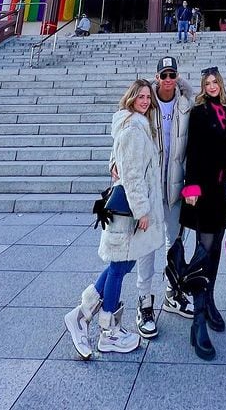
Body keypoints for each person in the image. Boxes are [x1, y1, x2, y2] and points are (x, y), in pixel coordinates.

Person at [64, 79, 163, 358]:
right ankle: (109, 331)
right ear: (131, 98)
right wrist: (142, 210)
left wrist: (113, 164)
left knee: (121, 264)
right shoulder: (133, 128)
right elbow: (130, 174)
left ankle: (82, 314)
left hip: (129, 209)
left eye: (148, 97)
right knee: (120, 267)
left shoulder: (133, 124)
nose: (145, 101)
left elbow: (119, 159)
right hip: (130, 212)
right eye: (140, 96)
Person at [132, 56, 195, 336]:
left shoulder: (185, 104)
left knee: (175, 244)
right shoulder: (147, 103)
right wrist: (114, 162)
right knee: (147, 246)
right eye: (164, 74)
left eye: (173, 74)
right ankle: (144, 301)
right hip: (151, 186)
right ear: (156, 76)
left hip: (175, 187)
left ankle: (173, 292)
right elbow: (126, 128)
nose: (168, 79)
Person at [180, 66, 226, 361]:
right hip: (203, 191)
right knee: (203, 251)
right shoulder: (199, 112)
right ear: (202, 86)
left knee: (214, 254)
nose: (212, 86)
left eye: (216, 82)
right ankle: (198, 319)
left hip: (222, 192)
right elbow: (192, 151)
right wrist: (191, 188)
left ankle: (210, 300)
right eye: (207, 83)